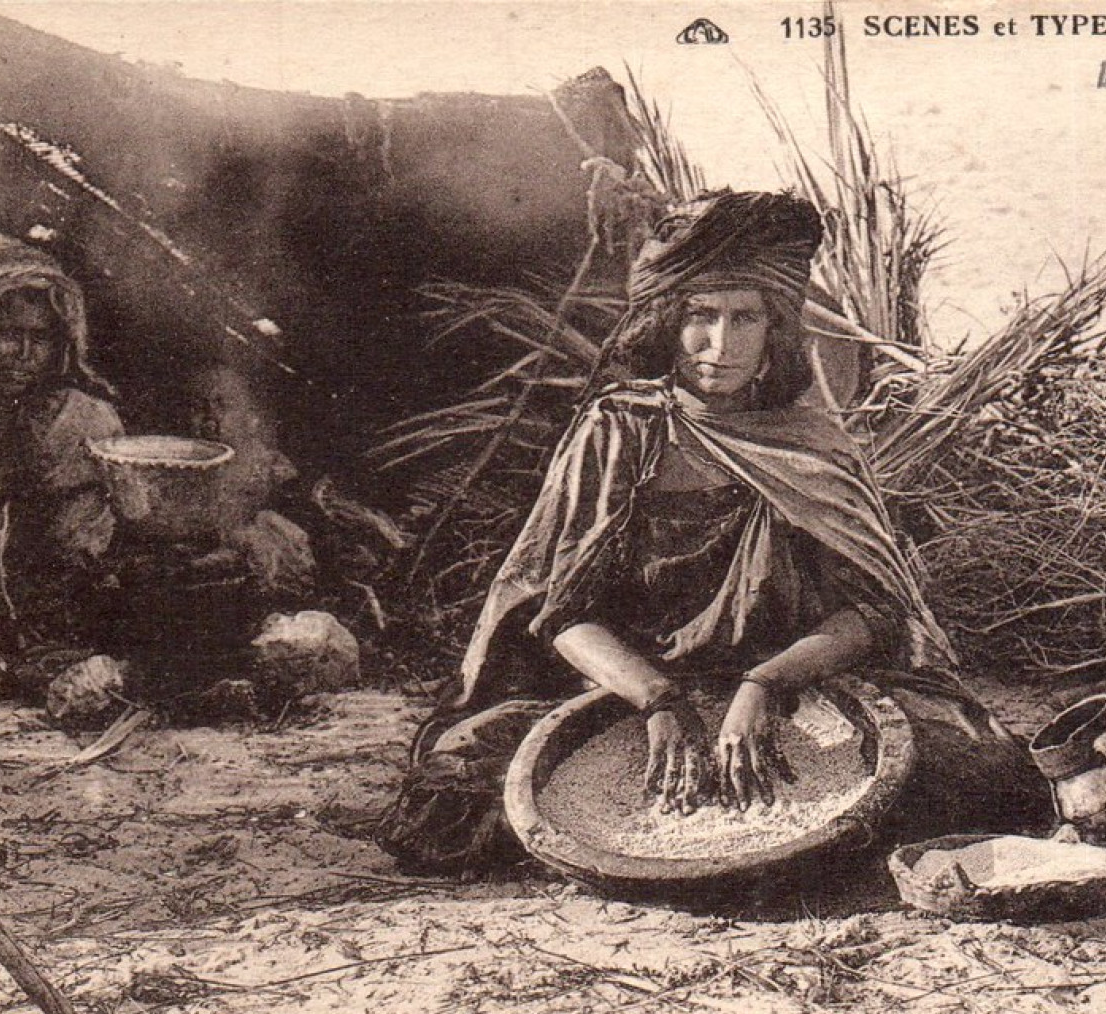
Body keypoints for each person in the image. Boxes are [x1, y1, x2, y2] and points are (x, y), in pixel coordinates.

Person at [379, 191, 1051, 876]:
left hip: (797, 696)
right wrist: (657, 698)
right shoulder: (621, 431)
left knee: (978, 768)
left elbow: (874, 615)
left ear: (775, 329)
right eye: (700, 315)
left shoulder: (814, 446)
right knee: (457, 787)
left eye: (744, 317)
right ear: (667, 320)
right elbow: (559, 614)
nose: (719, 345)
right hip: (626, 698)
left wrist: (761, 685)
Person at [0, 233, 124, 660]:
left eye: (39, 338)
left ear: (61, 345)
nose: (22, 353)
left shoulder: (83, 420)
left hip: (51, 615)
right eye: (8, 334)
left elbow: (89, 540)